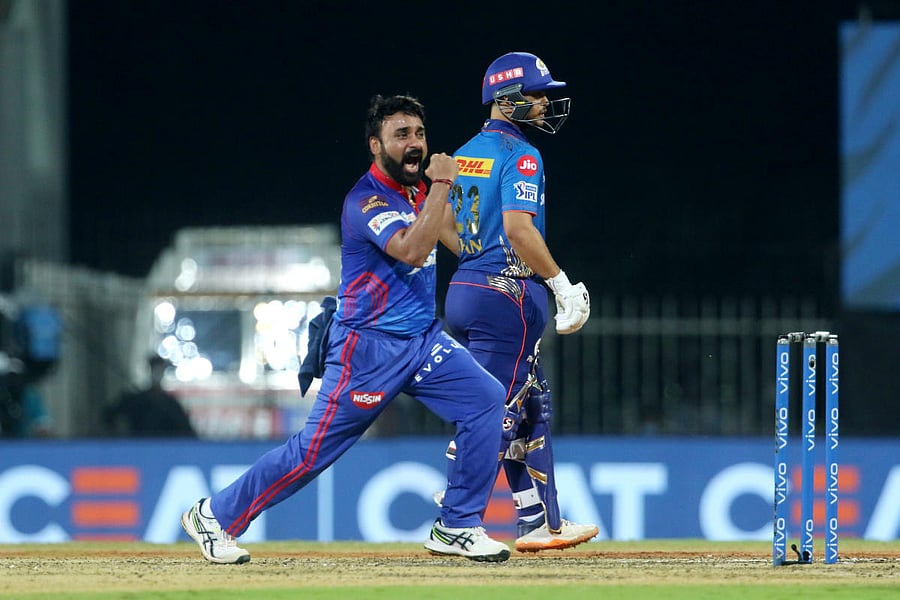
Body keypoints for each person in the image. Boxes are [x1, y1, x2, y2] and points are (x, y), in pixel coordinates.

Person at [181, 94, 510, 564]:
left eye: (419, 133)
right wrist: (442, 183)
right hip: (368, 350)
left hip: (422, 341)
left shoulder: (419, 192)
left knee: (486, 398)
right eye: (401, 134)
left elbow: (457, 241)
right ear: (376, 145)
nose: (415, 143)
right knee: (311, 453)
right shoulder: (366, 200)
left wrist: (504, 259)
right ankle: (213, 515)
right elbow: (412, 250)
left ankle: (458, 524)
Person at [441, 52, 598, 552]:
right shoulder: (523, 155)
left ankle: (537, 520)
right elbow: (518, 229)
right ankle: (456, 518)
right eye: (537, 94)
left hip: (465, 289)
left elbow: (441, 223)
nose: (546, 103)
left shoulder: (462, 154)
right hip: (507, 295)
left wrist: (477, 260)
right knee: (496, 411)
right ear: (507, 100)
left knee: (529, 405)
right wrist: (561, 283)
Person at [103, 355, 196, 438]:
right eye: (155, 369)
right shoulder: (135, 401)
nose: (157, 373)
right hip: (137, 447)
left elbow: (186, 431)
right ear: (150, 370)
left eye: (160, 369)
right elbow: (109, 416)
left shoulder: (171, 405)